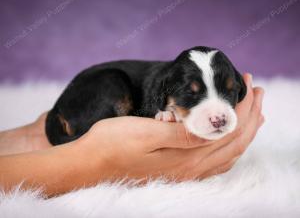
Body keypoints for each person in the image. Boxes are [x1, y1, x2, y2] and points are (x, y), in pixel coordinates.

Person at [0, 74, 264, 197]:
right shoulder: (164, 86)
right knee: (113, 89)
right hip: (97, 89)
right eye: (193, 95)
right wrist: (91, 161)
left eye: (229, 93)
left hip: (66, 113)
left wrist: (35, 138)